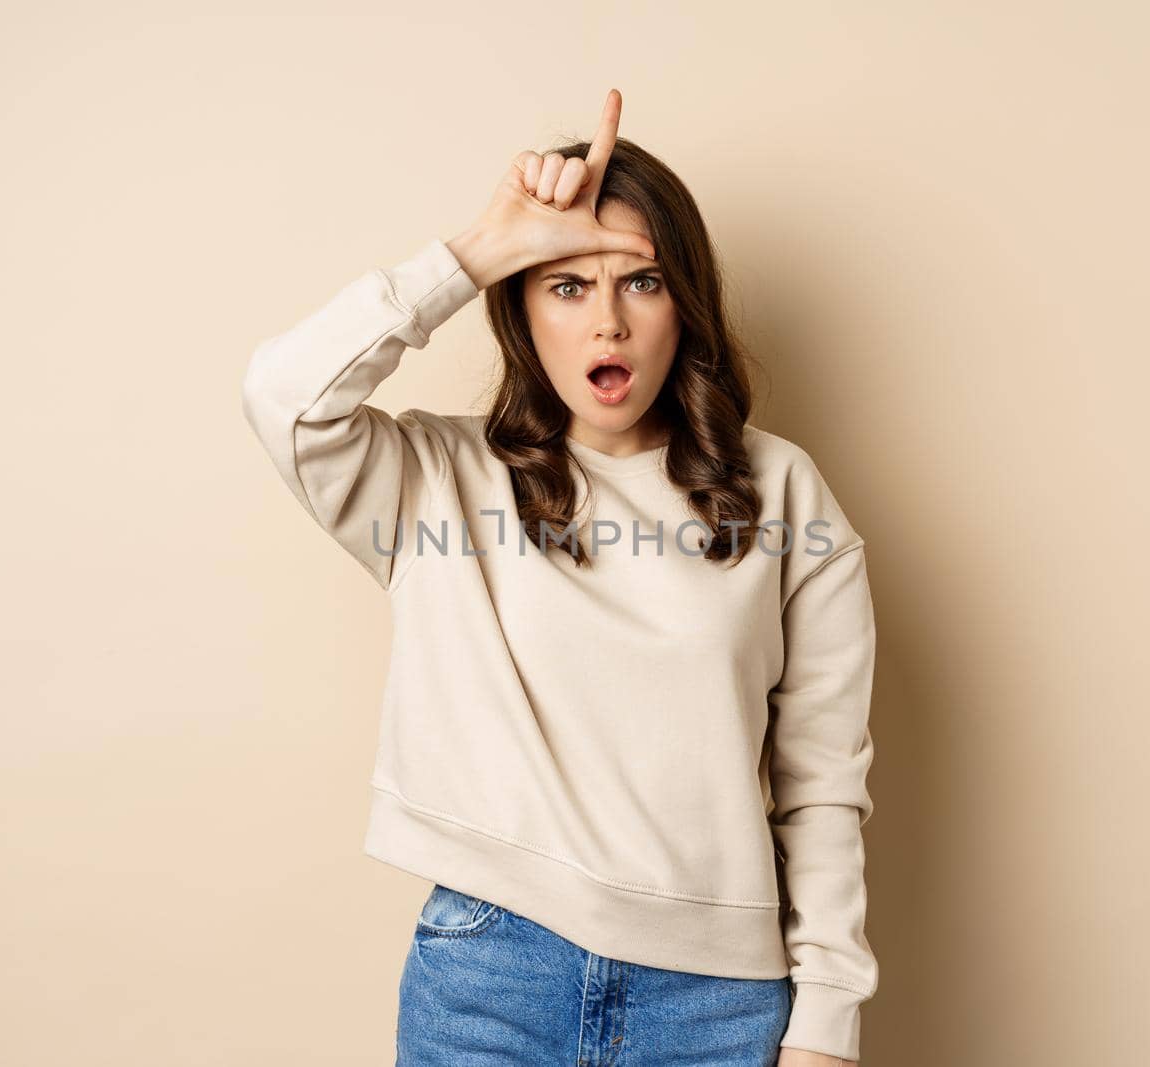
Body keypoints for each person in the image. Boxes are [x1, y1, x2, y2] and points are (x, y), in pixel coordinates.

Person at [240, 89, 878, 1067]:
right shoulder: (434, 482)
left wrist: (827, 1016)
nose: (608, 322)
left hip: (714, 1005)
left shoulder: (783, 490)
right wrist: (474, 251)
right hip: (487, 978)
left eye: (643, 281)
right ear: (520, 305)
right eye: (566, 284)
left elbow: (822, 775)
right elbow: (283, 396)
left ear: (686, 303)